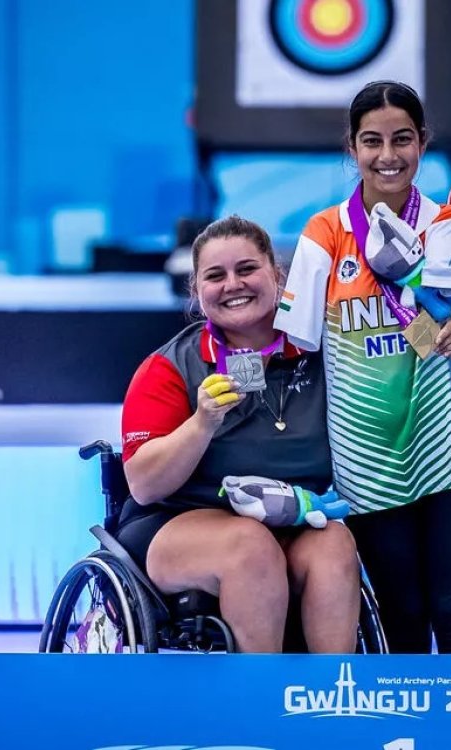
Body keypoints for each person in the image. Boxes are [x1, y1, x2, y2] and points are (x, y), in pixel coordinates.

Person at [274, 81, 451, 654]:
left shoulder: (447, 223)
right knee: (403, 611)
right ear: (352, 148)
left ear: (422, 143)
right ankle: (412, 738)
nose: (387, 155)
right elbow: (295, 341)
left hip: (447, 446)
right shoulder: (324, 233)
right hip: (365, 459)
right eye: (372, 141)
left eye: (402, 139)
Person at [117, 215, 361, 654]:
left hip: (293, 516)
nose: (233, 284)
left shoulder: (324, 351)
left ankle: (332, 699)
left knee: (334, 544)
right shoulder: (169, 368)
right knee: (250, 547)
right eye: (215, 275)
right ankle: (258, 707)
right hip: (176, 521)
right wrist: (202, 423)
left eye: (247, 269)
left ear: (277, 275)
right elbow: (144, 485)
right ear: (197, 290)